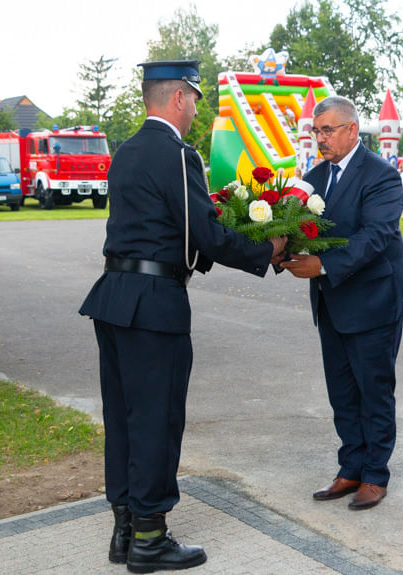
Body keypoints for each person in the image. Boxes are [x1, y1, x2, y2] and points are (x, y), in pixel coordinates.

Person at [79, 60, 287, 572]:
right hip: (154, 302)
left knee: (124, 418)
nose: (196, 108)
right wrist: (270, 248)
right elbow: (205, 233)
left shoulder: (126, 151)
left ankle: (124, 529)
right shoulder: (175, 154)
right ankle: (150, 538)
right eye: (194, 98)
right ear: (177, 99)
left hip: (114, 296)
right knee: (156, 419)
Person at [280, 95, 403, 510]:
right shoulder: (315, 176)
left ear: (352, 130)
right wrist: (275, 248)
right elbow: (298, 226)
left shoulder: (382, 176)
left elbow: (376, 237)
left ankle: (375, 474)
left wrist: (322, 265)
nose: (320, 138)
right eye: (316, 131)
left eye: (328, 130)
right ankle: (351, 467)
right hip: (331, 303)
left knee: (373, 390)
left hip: (373, 302)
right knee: (341, 392)